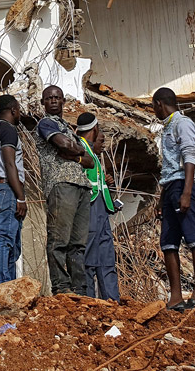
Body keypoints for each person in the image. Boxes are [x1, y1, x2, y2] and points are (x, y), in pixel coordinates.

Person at [152, 87, 195, 310]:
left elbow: (189, 157)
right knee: (168, 242)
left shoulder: (182, 123)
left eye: (154, 107)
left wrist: (186, 192)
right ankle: (175, 297)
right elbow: (168, 167)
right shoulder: (167, 127)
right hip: (171, 187)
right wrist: (161, 199)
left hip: (185, 185)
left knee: (194, 236)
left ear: (159, 104)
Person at [37, 85, 93, 295]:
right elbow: (63, 145)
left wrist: (75, 153)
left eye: (57, 97)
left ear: (63, 101)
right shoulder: (46, 124)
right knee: (59, 239)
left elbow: (90, 161)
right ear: (43, 102)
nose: (53, 101)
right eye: (49, 98)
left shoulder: (69, 128)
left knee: (78, 243)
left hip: (81, 185)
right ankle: (61, 287)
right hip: (61, 183)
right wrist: (76, 150)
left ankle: (79, 288)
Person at [76, 112, 120, 301]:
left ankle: (112, 301)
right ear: (94, 129)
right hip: (90, 208)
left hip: (100, 210)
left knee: (105, 257)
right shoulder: (80, 148)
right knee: (90, 258)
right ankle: (90, 302)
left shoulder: (91, 153)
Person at [0, 94, 26, 284]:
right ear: (13, 110)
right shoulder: (8, 130)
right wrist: (20, 197)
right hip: (7, 189)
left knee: (11, 241)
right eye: (19, 110)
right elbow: (10, 164)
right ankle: (1, 283)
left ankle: (9, 283)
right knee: (4, 238)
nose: (20, 114)